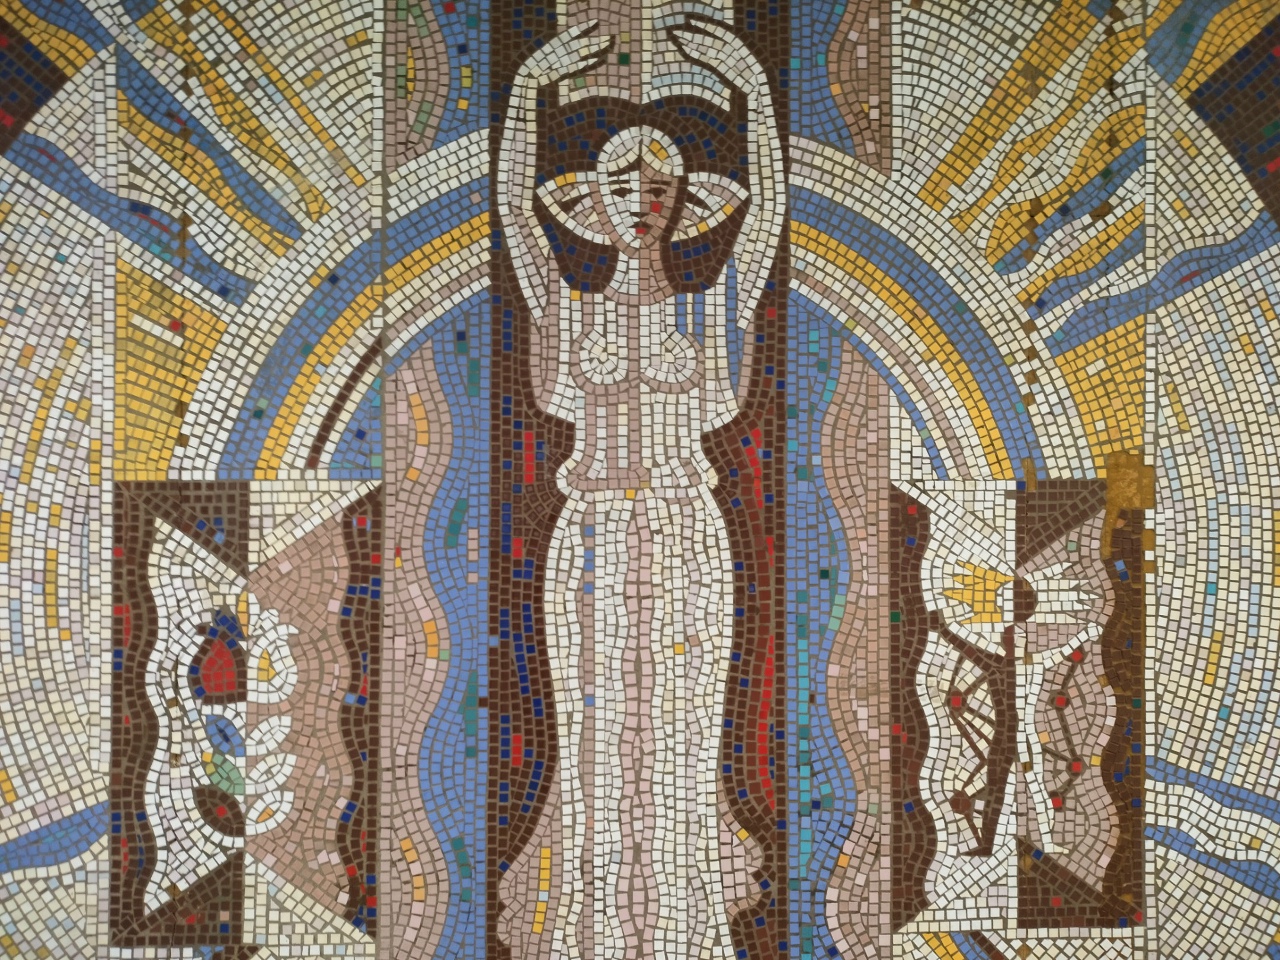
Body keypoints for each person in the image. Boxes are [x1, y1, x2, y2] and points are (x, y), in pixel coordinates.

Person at [498, 17, 784, 958]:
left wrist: (750, 87)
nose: (640, 204)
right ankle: (589, 925)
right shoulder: (567, 308)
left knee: (682, 736)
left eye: (658, 189)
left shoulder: (711, 309)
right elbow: (514, 218)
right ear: (591, 203)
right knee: (593, 734)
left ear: (682, 203)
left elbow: (766, 224)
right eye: (620, 188)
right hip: (588, 535)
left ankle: (687, 928)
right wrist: (531, 86)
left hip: (685, 529)